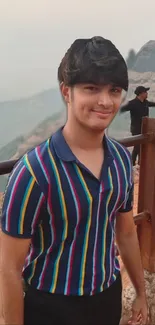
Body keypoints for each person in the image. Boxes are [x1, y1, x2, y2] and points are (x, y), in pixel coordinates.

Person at [0, 36, 148, 325]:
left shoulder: (119, 159)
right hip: (51, 306)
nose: (105, 101)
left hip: (107, 295)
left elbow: (127, 231)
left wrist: (140, 292)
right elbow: (8, 269)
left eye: (114, 90)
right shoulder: (34, 171)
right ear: (66, 92)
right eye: (91, 88)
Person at [120, 85, 155, 166]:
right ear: (141, 94)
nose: (147, 93)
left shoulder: (146, 103)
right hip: (136, 129)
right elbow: (121, 109)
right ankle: (135, 164)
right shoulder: (132, 103)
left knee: (140, 146)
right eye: (145, 92)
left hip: (145, 128)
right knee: (138, 147)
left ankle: (137, 164)